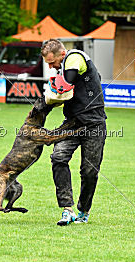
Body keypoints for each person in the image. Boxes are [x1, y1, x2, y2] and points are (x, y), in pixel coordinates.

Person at [41, 39, 107, 226]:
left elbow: (66, 84)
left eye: (52, 62)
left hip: (94, 124)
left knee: (89, 171)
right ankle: (67, 210)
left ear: (62, 54)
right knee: (58, 157)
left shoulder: (75, 57)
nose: (52, 67)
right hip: (72, 124)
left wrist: (53, 93)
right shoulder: (64, 67)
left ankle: (83, 211)